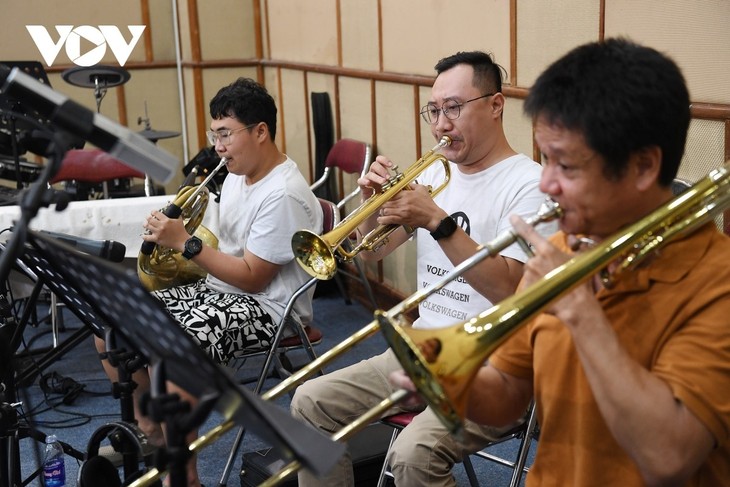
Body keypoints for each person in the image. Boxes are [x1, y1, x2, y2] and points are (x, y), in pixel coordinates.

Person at [392, 38, 730, 486]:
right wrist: (448, 381)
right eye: (545, 159)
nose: (547, 184)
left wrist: (582, 314)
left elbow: (669, 457)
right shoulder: (564, 250)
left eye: (566, 166)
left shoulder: (717, 282)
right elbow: (508, 393)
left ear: (644, 167)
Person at [291, 51, 555, 486]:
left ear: (495, 105)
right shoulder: (435, 174)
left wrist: (438, 221)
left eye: (453, 108)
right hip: (420, 352)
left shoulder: (529, 185)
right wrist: (372, 205)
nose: (440, 125)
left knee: (413, 455)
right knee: (308, 403)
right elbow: (373, 252)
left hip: (496, 368)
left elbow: (513, 290)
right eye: (433, 111)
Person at [97, 77, 323, 487]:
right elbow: (224, 246)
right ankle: (150, 430)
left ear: (260, 131)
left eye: (225, 135)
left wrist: (184, 242)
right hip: (221, 290)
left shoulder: (283, 193)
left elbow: (253, 279)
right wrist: (177, 235)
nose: (217, 147)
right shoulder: (237, 173)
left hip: (271, 308)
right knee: (108, 318)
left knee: (172, 345)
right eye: (213, 135)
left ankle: (184, 476)